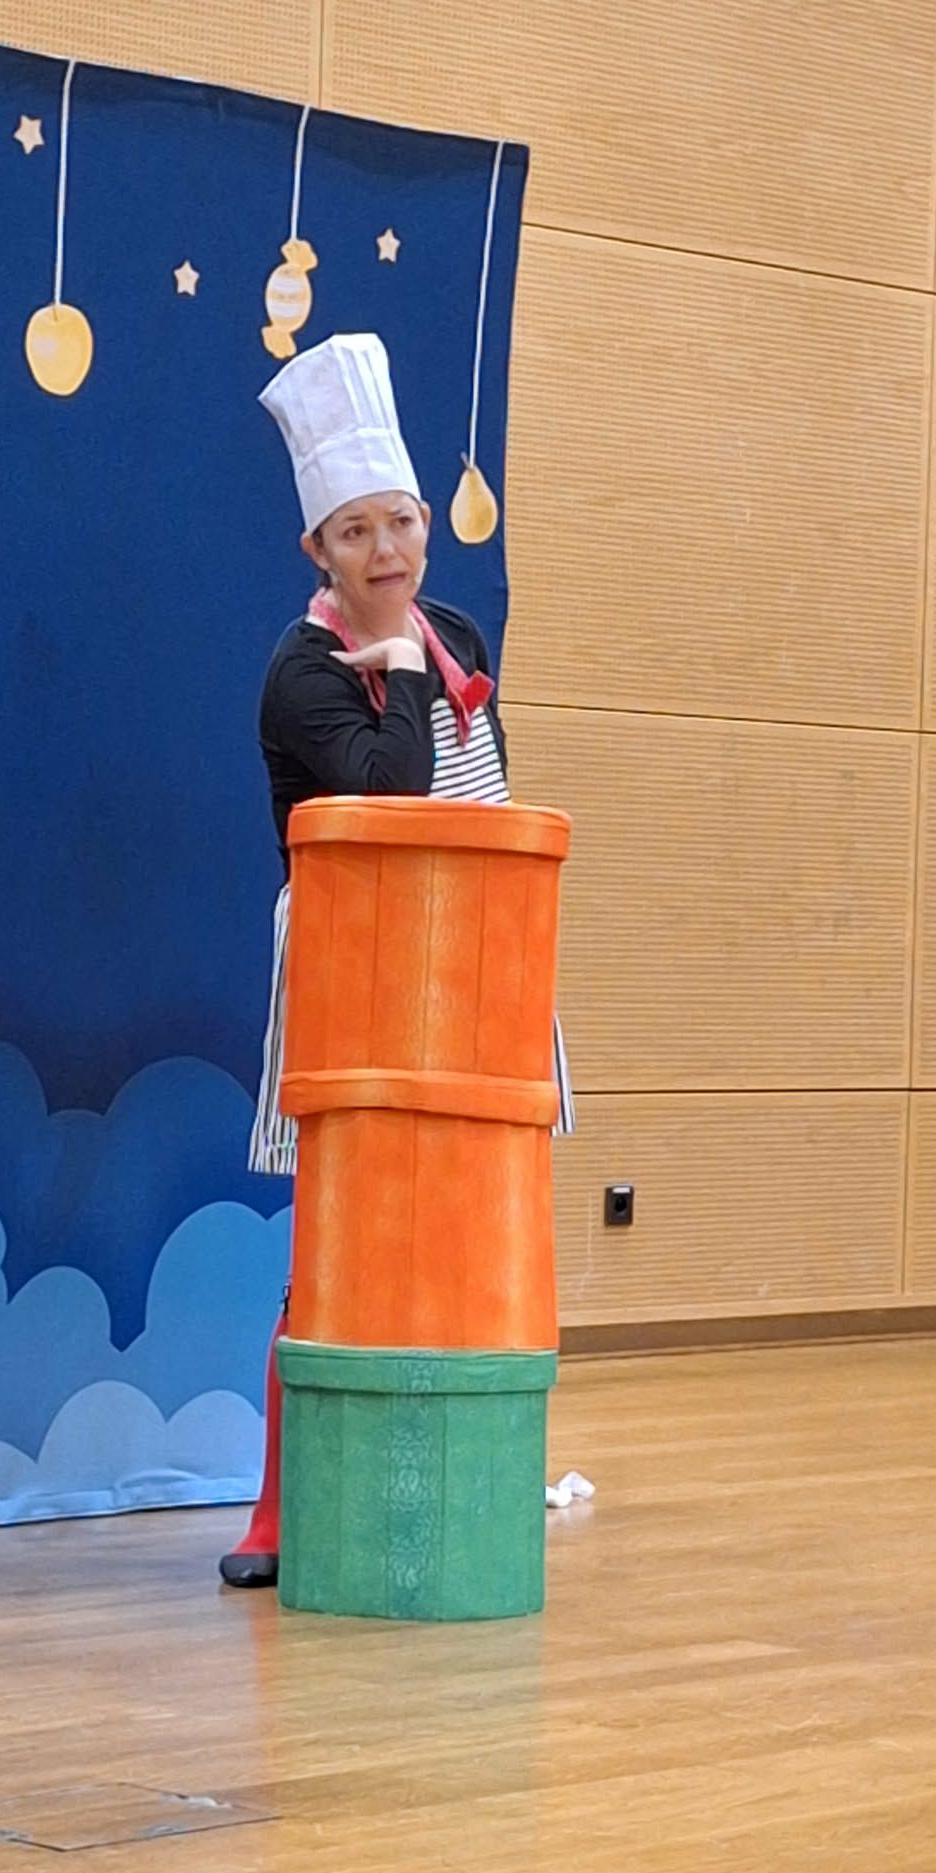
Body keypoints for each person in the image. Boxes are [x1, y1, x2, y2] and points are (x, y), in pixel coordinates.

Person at [220, 332, 574, 1589]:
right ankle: (282, 1513)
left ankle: (469, 1487)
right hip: (359, 973)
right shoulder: (301, 672)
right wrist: (415, 678)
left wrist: (428, 661)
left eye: (405, 522)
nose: (389, 551)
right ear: (317, 548)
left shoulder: (456, 627)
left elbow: (487, 798)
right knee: (338, 1243)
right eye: (358, 531)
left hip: (474, 962)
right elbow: (394, 794)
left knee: (478, 1232)